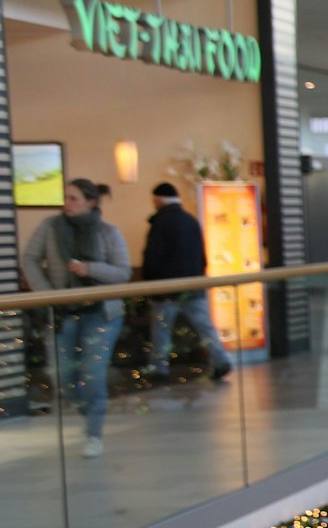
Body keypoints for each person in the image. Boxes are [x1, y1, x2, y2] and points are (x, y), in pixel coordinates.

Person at [23, 178, 131, 458]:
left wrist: (90, 269)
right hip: (63, 312)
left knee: (93, 374)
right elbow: (30, 258)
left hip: (101, 313)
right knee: (63, 376)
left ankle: (94, 433)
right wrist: (48, 294)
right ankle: (87, 414)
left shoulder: (108, 232)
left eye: (73, 198)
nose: (67, 203)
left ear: (90, 202)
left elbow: (123, 272)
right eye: (66, 198)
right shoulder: (50, 227)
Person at [141, 183, 232, 382]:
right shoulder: (191, 221)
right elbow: (202, 256)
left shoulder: (160, 223)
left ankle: (159, 369)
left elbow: (153, 257)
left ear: (158, 199)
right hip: (194, 285)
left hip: (165, 288)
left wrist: (149, 283)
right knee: (204, 326)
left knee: (161, 330)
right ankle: (221, 360)